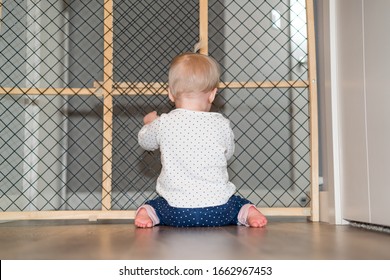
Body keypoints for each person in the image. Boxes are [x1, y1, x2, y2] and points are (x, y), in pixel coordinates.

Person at [135, 52, 267, 228]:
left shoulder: (163, 122)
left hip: (177, 212)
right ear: (212, 95)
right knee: (238, 204)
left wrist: (148, 124)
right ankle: (248, 213)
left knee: (154, 205)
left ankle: (147, 215)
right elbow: (228, 154)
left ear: (170, 94)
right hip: (219, 210)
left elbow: (145, 142)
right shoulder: (221, 123)